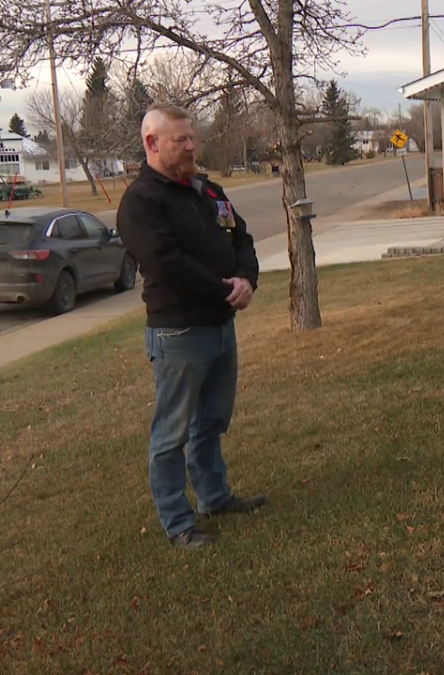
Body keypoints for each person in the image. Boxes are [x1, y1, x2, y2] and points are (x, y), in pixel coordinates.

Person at [117, 103, 266, 550]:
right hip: (179, 333)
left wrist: (247, 278)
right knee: (172, 433)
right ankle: (178, 523)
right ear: (152, 143)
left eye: (191, 137)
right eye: (180, 139)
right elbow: (168, 266)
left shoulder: (209, 191)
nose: (190, 146)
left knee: (211, 422)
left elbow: (241, 237)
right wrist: (225, 290)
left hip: (221, 328)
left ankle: (214, 498)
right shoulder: (141, 202)